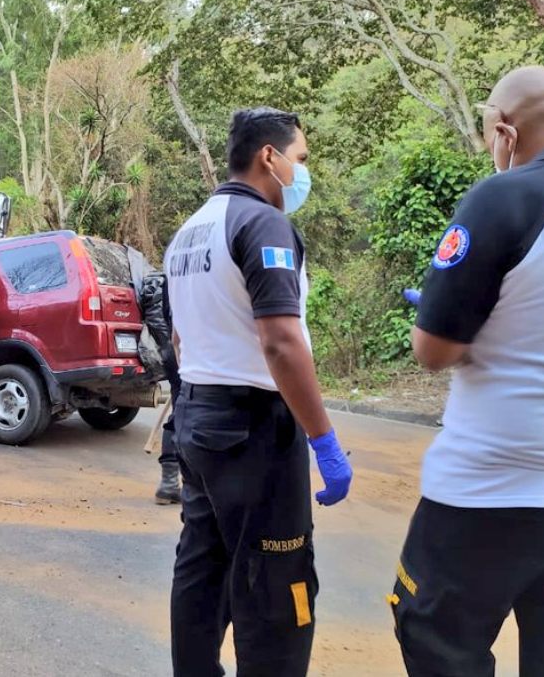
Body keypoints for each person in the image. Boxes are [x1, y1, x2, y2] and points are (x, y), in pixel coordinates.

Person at [391, 66, 544, 677]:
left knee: (439, 642)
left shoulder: (506, 196)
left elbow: (434, 351)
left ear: (504, 132)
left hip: (489, 494)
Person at [164, 108, 353, 677]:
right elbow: (281, 342)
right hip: (255, 429)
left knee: (205, 563)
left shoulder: (191, 229)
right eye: (300, 159)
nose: (303, 172)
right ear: (268, 156)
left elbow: (178, 337)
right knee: (278, 578)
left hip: (200, 415)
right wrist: (323, 439)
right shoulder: (264, 223)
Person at [155, 276, 181, 505]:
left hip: (172, 346)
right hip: (191, 349)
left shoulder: (174, 269)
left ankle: (169, 483)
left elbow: (164, 313)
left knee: (180, 409)